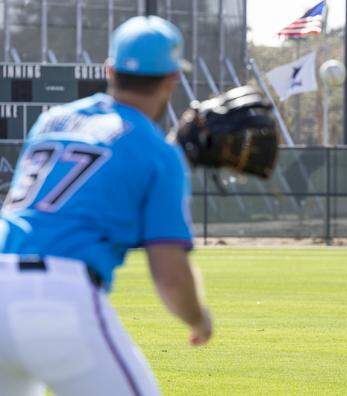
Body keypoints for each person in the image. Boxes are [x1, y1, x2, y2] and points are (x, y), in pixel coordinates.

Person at [0, 16, 211, 396]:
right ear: (172, 79)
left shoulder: (52, 121)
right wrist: (198, 319)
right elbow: (170, 275)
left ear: (109, 69)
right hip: (57, 299)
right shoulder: (158, 154)